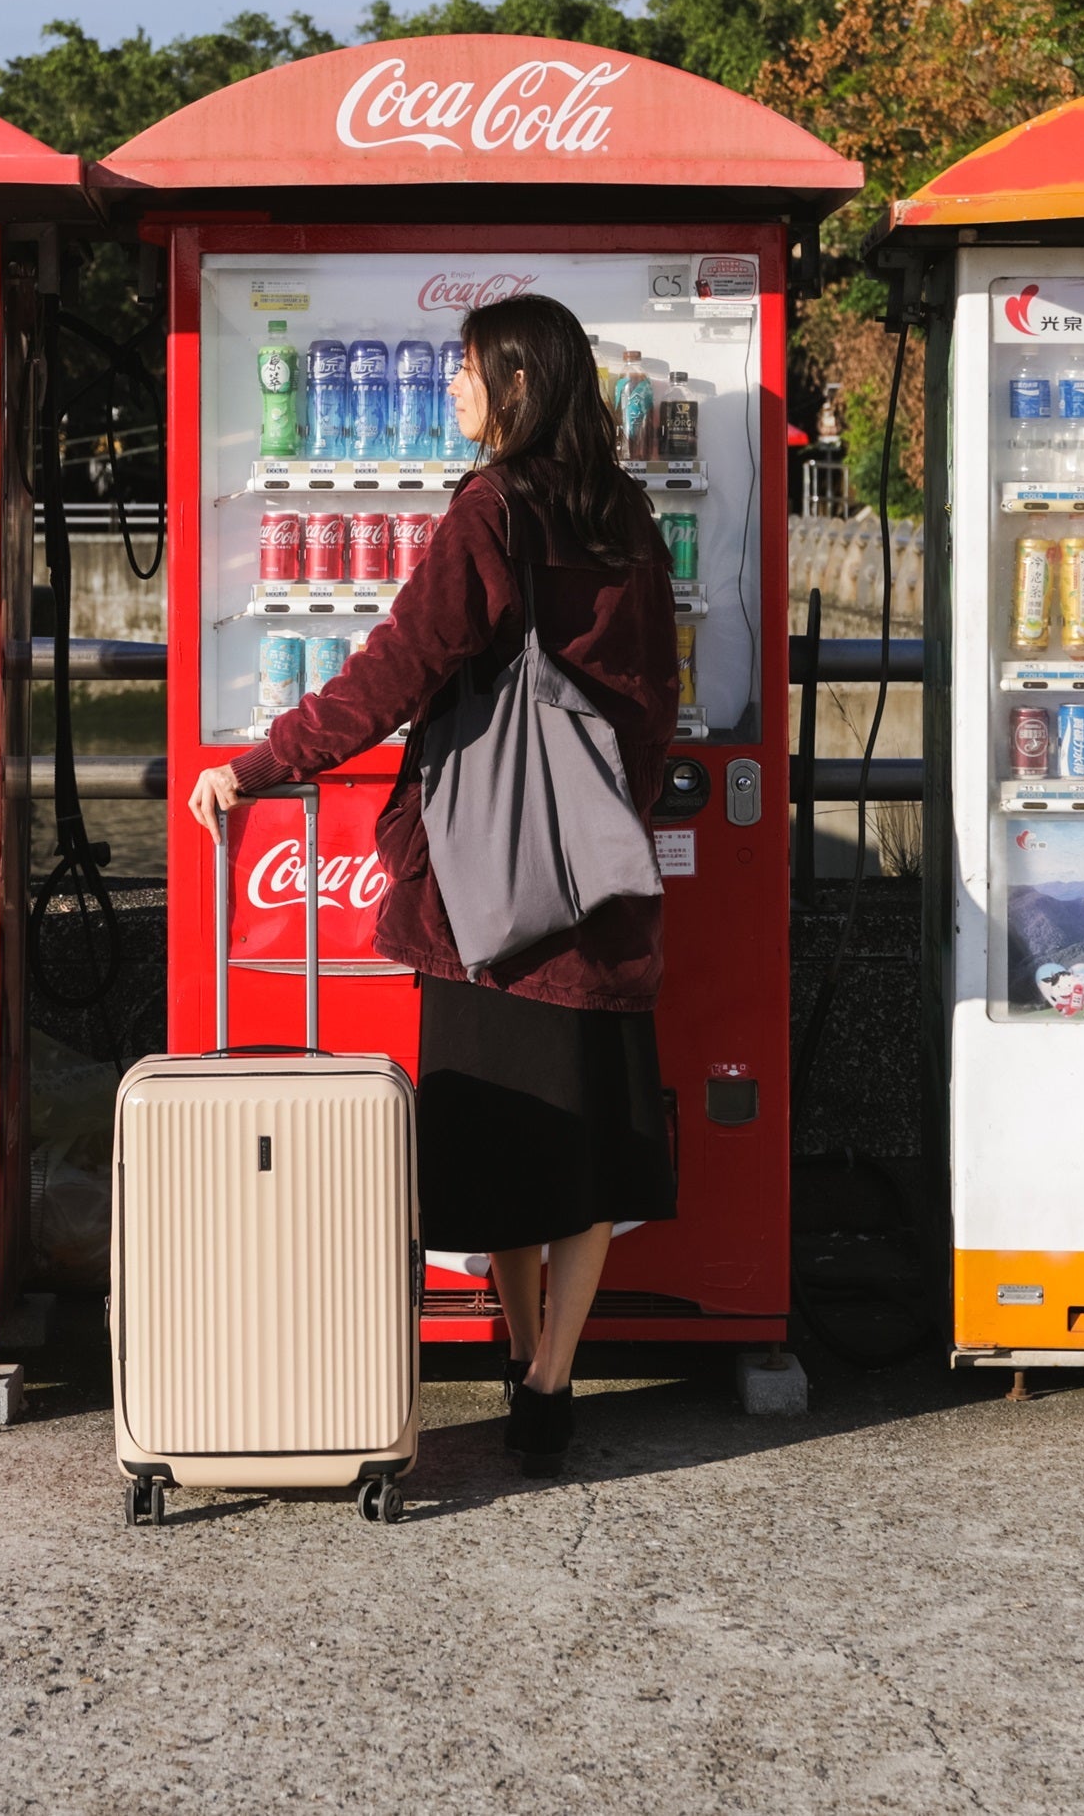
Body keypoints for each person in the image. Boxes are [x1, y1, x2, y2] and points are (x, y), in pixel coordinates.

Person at [190, 292, 678, 1476]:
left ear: (513, 385)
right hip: (595, 873)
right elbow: (658, 693)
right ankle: (550, 1376)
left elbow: (393, 669)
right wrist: (611, 817)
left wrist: (259, 764)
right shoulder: (630, 513)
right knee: (586, 1156)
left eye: (465, 376)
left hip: (485, 883)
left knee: (501, 1135)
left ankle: (525, 1361)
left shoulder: (489, 510)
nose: (450, 394)